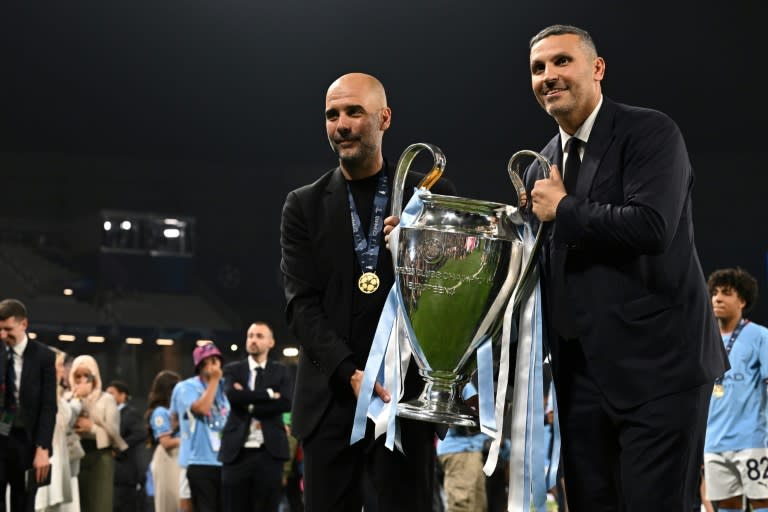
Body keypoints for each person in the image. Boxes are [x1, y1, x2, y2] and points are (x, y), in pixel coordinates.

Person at [523, 24, 728, 510]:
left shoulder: (649, 132)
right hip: (580, 378)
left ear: (597, 69)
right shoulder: (540, 167)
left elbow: (652, 226)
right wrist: (427, 243)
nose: (548, 75)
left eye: (561, 62)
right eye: (537, 68)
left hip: (660, 371)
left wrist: (566, 209)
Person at [279, 71, 455, 511]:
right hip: (330, 401)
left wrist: (423, 252)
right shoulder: (303, 205)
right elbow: (301, 307)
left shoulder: (429, 194)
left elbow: (454, 295)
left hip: (404, 400)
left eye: (354, 112)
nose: (341, 124)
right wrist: (350, 373)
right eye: (332, 114)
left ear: (384, 118)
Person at [703, 267, 768, 511]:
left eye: (726, 293)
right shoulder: (704, 339)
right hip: (713, 442)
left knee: (762, 501)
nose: (717, 298)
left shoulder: (760, 336)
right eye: (715, 292)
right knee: (727, 505)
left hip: (753, 440)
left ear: (742, 300)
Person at [219, 321, 292, 512]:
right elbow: (233, 396)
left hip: (270, 453)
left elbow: (286, 402)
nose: (253, 340)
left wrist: (248, 403)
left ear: (271, 343)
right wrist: (268, 395)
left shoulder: (281, 370)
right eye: (250, 336)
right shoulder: (232, 369)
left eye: (259, 336)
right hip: (237, 454)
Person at [0, 298, 56, 512]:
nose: (3, 335)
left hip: (28, 442)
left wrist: (42, 448)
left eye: (8, 329)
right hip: (1, 436)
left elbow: (49, 406)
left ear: (24, 324)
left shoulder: (44, 357)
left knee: (23, 504)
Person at [172, 341, 229, 512]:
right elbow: (202, 408)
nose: (214, 365)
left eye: (216, 360)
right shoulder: (186, 387)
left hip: (224, 461)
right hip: (197, 461)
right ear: (200, 364)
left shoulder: (226, 386)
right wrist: (214, 380)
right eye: (209, 360)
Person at [67, 355, 127, 512]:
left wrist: (92, 428)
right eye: (77, 376)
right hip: (74, 457)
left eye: (86, 375)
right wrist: (76, 400)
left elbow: (115, 434)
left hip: (100, 457)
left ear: (94, 376)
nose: (81, 380)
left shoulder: (107, 399)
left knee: (100, 504)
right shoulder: (68, 399)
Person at [435, 381, 490, 512]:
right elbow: (457, 420)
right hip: (460, 451)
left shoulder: (464, 383)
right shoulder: (459, 381)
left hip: (468, 452)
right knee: (461, 507)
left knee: (478, 506)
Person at [34, 349, 77, 512]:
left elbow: (65, 420)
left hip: (56, 465)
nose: (62, 370)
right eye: (58, 365)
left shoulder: (57, 397)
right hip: (38, 463)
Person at [106, 380, 146, 512]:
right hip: (111, 472)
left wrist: (118, 448)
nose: (107, 396)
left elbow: (139, 434)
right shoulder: (106, 414)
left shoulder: (131, 413)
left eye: (111, 393)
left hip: (125, 472)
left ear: (122, 396)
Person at [145, 370, 182, 512]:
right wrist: (187, 439)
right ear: (168, 390)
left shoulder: (173, 410)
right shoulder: (160, 412)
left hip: (176, 458)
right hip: (167, 458)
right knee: (169, 504)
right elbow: (165, 442)